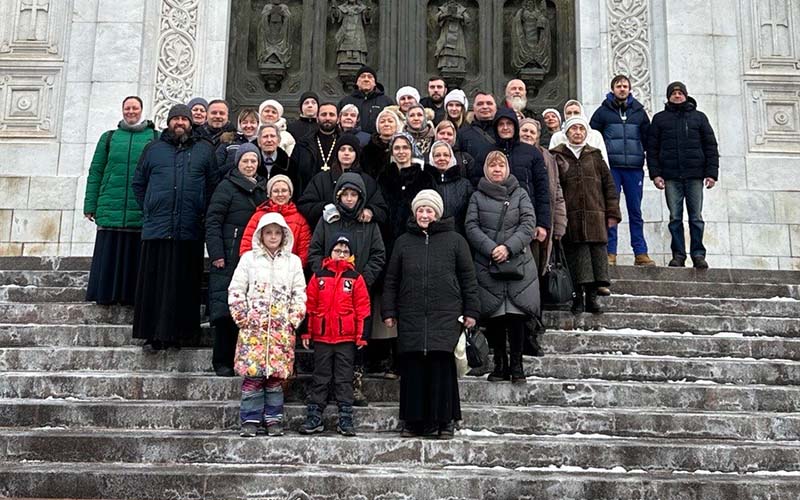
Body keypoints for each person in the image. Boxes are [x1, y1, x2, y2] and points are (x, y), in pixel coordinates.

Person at [382, 190, 480, 439]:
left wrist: (471, 311)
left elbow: (468, 279)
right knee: (413, 369)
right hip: (411, 315)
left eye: (429, 210)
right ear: (415, 213)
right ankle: (414, 421)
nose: (425, 215)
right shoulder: (403, 241)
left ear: (437, 213)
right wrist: (389, 311)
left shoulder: (455, 240)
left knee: (441, 369)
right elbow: (392, 279)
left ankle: (444, 421)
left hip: (445, 315)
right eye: (420, 210)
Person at [131, 104, 218, 351]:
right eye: (175, 118)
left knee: (185, 283)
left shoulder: (204, 150)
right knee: (154, 283)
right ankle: (152, 335)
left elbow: (212, 185)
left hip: (189, 228)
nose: (180, 123)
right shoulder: (153, 148)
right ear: (168, 122)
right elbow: (139, 183)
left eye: (184, 119)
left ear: (191, 123)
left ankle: (182, 335)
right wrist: (150, 207)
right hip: (157, 227)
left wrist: (203, 212)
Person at [228, 212, 307, 437]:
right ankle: (250, 420)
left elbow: (299, 293)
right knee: (253, 376)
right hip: (253, 331)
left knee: (275, 379)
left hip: (281, 332)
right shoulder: (248, 259)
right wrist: (243, 317)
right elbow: (236, 290)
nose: (273, 237)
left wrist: (293, 319)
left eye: (277, 233)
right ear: (261, 235)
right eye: (268, 232)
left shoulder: (292, 262)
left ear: (284, 235)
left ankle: (273, 420)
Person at [465, 151, 539, 383]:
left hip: (518, 262)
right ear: (486, 170)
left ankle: (517, 365)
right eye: (492, 166)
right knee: (495, 317)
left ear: (507, 169)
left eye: (501, 166)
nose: (497, 170)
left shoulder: (520, 193)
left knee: (516, 317)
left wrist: (508, 247)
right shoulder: (477, 196)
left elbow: (528, 223)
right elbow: (471, 226)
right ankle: (499, 364)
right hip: (488, 263)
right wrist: (491, 248)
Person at [83, 95, 159, 306]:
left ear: (141, 110)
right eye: (127, 108)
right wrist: (90, 204)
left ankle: (131, 296)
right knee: (110, 252)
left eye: (135, 108)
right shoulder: (109, 138)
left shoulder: (154, 137)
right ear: (122, 110)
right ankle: (106, 294)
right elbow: (96, 171)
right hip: (111, 205)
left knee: (134, 253)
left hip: (139, 206)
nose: (131, 112)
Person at [205, 143, 268, 377]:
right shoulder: (226, 186)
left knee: (249, 309)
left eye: (253, 161)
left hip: (254, 259)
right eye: (245, 161)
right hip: (229, 257)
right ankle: (222, 361)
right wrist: (217, 254)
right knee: (226, 310)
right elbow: (213, 221)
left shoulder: (262, 188)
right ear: (237, 163)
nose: (250, 165)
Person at [300, 235, 371, 436]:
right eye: (337, 251)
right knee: (320, 376)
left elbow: (363, 308)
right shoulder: (319, 276)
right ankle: (315, 415)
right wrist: (307, 331)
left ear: (351, 256)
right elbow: (309, 305)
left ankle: (345, 416)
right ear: (330, 253)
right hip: (322, 336)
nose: (341, 255)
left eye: (345, 252)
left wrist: (361, 336)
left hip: (345, 338)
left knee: (344, 377)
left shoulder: (356, 278)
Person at [550, 116, 621, 314]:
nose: (578, 132)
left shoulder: (595, 155)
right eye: (574, 129)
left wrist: (612, 212)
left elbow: (609, 186)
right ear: (567, 133)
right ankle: (577, 298)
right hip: (570, 217)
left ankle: (592, 298)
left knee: (596, 259)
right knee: (576, 260)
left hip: (595, 215)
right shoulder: (557, 156)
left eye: (581, 128)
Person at [647, 81, 719, 269]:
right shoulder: (660, 119)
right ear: (669, 96)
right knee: (675, 218)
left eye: (680, 93)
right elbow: (652, 149)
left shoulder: (699, 118)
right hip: (671, 177)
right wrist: (655, 174)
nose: (677, 96)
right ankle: (678, 255)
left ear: (686, 95)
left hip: (695, 176)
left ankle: (698, 254)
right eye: (674, 93)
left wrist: (711, 174)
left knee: (696, 218)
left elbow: (711, 146)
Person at [590, 75, 654, 267]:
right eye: (618, 86)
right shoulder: (602, 112)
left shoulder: (639, 112)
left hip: (634, 169)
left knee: (635, 212)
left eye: (625, 86)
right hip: (612, 169)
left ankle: (640, 253)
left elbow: (648, 139)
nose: (622, 89)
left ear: (630, 89)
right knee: (611, 211)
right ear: (612, 89)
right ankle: (610, 252)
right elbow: (593, 139)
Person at [307, 172, 386, 289]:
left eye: (353, 195)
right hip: (328, 288)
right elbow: (315, 250)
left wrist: (363, 281)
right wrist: (325, 275)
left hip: (359, 289)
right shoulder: (327, 220)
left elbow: (378, 254)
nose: (349, 199)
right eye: (345, 195)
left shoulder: (369, 223)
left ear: (360, 196)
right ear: (338, 196)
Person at [298, 133, 387, 230]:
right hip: (328, 234)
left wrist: (371, 211)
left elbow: (382, 210)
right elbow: (305, 206)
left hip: (359, 236)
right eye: (342, 149)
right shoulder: (320, 179)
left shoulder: (368, 181)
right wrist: (327, 207)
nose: (346, 153)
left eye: (351, 150)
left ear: (356, 154)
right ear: (337, 153)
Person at [491, 108, 551, 243]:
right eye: (501, 124)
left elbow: (542, 189)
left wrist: (542, 223)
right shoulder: (487, 152)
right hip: (496, 221)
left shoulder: (532, 153)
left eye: (509, 124)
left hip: (528, 219)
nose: (505, 127)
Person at [518, 118, 567, 278]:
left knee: (538, 265)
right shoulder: (511, 152)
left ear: (538, 135)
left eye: (532, 132)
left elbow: (556, 192)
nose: (528, 134)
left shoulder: (548, 157)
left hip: (542, 220)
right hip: (516, 219)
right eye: (524, 130)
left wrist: (559, 224)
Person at [239, 175, 312, 267]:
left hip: (287, 273)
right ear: (269, 194)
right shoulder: (258, 217)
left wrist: (292, 270)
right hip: (259, 271)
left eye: (284, 191)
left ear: (290, 194)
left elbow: (304, 251)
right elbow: (246, 245)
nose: (280, 194)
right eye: (276, 191)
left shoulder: (300, 220)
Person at [290, 102, 341, 197]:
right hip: (309, 195)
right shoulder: (304, 143)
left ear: (338, 119)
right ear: (317, 118)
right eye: (323, 114)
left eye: (332, 114)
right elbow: (293, 174)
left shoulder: (344, 143)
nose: (327, 118)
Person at [424, 140, 473, 234]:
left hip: (457, 235)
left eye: (446, 155)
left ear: (451, 158)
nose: (442, 158)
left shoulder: (465, 185)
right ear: (431, 158)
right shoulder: (424, 182)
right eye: (437, 155)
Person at [549, 99, 609, 166]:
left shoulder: (595, 135)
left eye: (576, 112)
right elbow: (552, 163)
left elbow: (604, 161)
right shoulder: (557, 137)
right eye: (569, 113)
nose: (572, 115)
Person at [338, 65, 394, 135]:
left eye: (370, 77)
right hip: (351, 142)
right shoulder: (345, 101)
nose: (366, 79)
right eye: (362, 76)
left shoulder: (386, 101)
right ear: (357, 82)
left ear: (375, 83)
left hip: (378, 144)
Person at [457, 91, 497, 170]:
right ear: (473, 108)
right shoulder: (463, 133)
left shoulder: (503, 132)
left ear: (495, 107)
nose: (485, 107)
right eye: (480, 104)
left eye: (489, 103)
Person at [215, 108, 260, 176]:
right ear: (239, 124)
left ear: (258, 124)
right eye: (244, 122)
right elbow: (216, 168)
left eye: (252, 122)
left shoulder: (261, 143)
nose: (248, 126)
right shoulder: (229, 141)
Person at [360, 108, 403, 176]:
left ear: (396, 125)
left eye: (390, 121)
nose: (386, 124)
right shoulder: (367, 151)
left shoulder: (404, 147)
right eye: (382, 121)